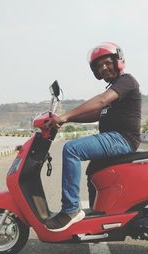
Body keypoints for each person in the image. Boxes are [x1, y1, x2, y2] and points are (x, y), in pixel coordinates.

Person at [45, 42, 142, 232]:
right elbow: (97, 114)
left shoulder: (126, 82)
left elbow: (101, 101)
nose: (103, 68)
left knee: (71, 149)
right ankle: (97, 215)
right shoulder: (115, 87)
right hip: (114, 137)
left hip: (122, 139)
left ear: (118, 61)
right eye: (99, 66)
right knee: (93, 171)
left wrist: (67, 114)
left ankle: (71, 210)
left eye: (107, 62)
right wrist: (67, 120)